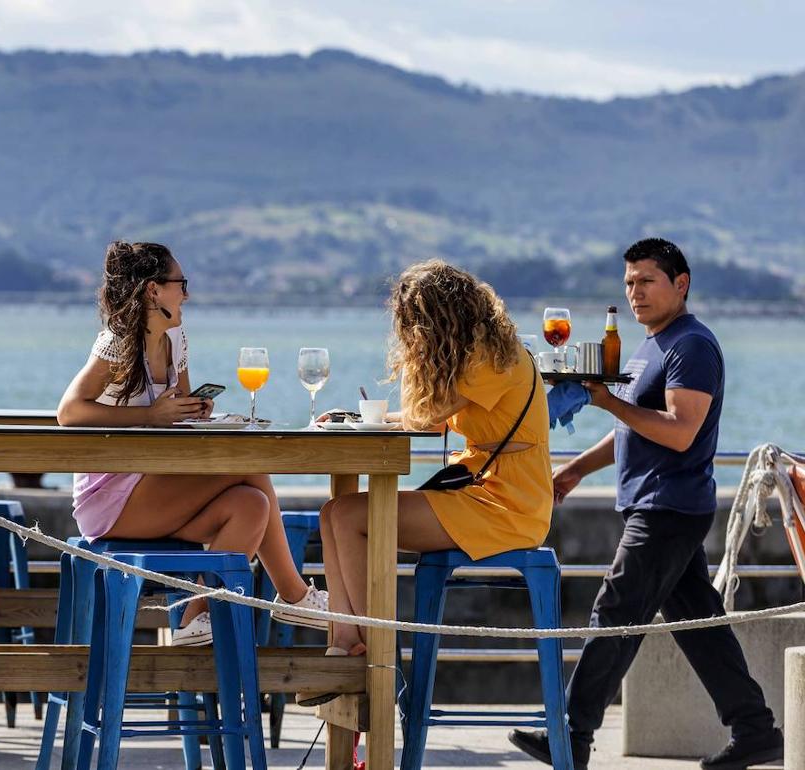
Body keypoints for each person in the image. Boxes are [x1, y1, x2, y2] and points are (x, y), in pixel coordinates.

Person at [510, 239, 783, 770]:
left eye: (647, 281)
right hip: (653, 503)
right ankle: (755, 731)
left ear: (681, 284)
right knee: (701, 627)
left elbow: (680, 432)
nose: (635, 293)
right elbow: (630, 432)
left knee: (615, 612)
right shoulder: (648, 347)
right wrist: (575, 470)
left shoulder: (692, 346)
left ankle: (571, 736)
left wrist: (607, 399)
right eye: (629, 283)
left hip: (670, 507)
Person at [299, 259, 551, 706]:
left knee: (353, 516)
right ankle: (344, 643)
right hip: (479, 492)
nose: (410, 336)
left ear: (437, 319)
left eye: (414, 325)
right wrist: (355, 419)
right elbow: (432, 423)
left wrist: (418, 361)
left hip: (505, 505)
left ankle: (376, 655)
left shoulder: (491, 359)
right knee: (333, 513)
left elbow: (425, 415)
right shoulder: (478, 352)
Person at [56, 240, 328, 646]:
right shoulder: (117, 343)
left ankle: (193, 620)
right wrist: (150, 416)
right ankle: (292, 595)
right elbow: (70, 411)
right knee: (249, 464)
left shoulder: (175, 339)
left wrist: (193, 411)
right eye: (180, 283)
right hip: (111, 499)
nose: (187, 293)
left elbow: (176, 416)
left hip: (157, 486)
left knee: (251, 505)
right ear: (153, 290)